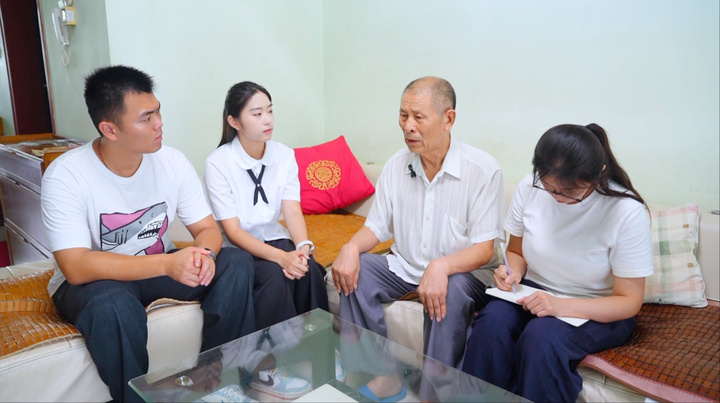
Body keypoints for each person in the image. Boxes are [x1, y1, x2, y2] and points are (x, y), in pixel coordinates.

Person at [41, 65, 255, 402]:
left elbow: (206, 229)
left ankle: (217, 380)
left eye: (158, 112)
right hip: (96, 282)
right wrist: (167, 265)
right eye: (146, 118)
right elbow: (76, 266)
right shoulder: (66, 175)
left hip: (156, 269)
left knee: (237, 262)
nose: (159, 124)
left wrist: (205, 255)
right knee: (112, 304)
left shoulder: (172, 162)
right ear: (109, 129)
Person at [333, 76, 505, 400]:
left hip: (465, 274)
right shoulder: (397, 165)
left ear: (448, 119)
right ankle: (383, 376)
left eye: (418, 117)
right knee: (356, 271)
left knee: (450, 289)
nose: (408, 126)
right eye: (403, 115)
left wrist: (442, 266)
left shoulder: (482, 171)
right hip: (407, 266)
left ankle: (433, 395)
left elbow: (485, 249)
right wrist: (351, 247)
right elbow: (376, 227)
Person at [462, 123, 654, 402]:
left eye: (567, 191)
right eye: (549, 188)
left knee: (541, 339)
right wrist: (511, 272)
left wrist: (560, 306)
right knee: (492, 325)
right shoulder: (530, 187)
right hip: (534, 292)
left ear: (598, 174)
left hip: (597, 306)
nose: (556, 197)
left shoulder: (626, 212)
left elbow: (629, 301)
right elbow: (516, 251)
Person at [203, 81, 329, 399]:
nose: (268, 120)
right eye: (257, 113)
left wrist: (302, 248)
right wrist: (281, 258)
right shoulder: (218, 163)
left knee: (311, 270)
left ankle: (320, 351)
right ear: (234, 121)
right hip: (237, 249)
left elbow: (292, 210)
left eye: (270, 111)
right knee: (274, 275)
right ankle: (265, 369)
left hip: (275, 237)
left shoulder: (284, 155)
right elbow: (233, 231)